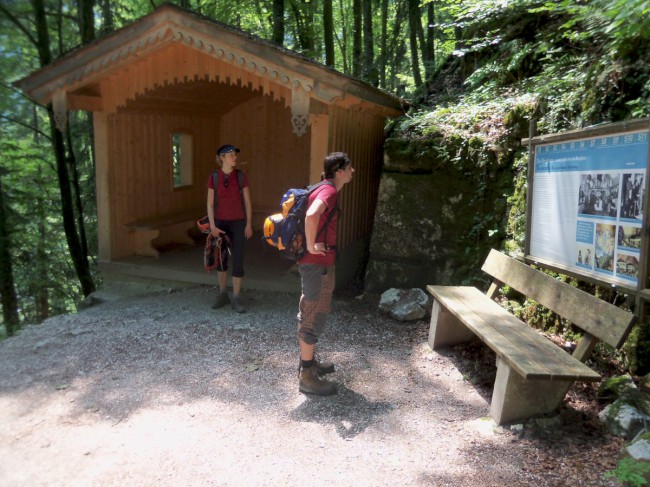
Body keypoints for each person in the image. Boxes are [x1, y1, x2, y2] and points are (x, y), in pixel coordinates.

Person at [296, 152, 354, 396]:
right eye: (350, 167)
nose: (353, 171)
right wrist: (311, 246)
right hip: (316, 263)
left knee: (314, 311)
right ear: (339, 170)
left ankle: (308, 363)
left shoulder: (322, 187)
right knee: (312, 314)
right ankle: (307, 376)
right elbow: (311, 215)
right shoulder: (328, 191)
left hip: (318, 263)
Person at [207, 144, 253, 313]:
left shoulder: (241, 176)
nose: (235, 157)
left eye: (235, 154)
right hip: (220, 223)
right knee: (221, 259)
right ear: (222, 158)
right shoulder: (214, 177)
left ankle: (236, 297)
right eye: (231, 154)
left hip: (239, 223)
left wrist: (248, 224)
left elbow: (248, 202)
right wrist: (212, 226)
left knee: (238, 260)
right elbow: (210, 204)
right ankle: (222, 293)